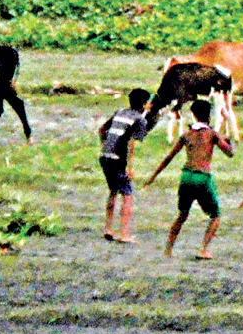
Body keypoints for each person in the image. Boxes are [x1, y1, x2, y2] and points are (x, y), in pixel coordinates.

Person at [144, 98, 233, 259]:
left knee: (182, 214)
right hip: (202, 177)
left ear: (193, 115)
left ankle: (168, 249)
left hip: (186, 176)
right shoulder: (212, 134)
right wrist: (228, 140)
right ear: (209, 115)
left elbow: (169, 157)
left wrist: (152, 177)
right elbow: (229, 153)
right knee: (215, 215)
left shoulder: (186, 135)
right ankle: (203, 249)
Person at [98, 87, 152, 243]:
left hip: (105, 156)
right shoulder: (140, 120)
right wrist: (129, 167)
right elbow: (131, 143)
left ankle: (108, 228)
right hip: (118, 158)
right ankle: (124, 233)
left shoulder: (120, 112)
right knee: (128, 195)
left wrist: (106, 146)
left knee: (113, 191)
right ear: (144, 104)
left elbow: (102, 130)